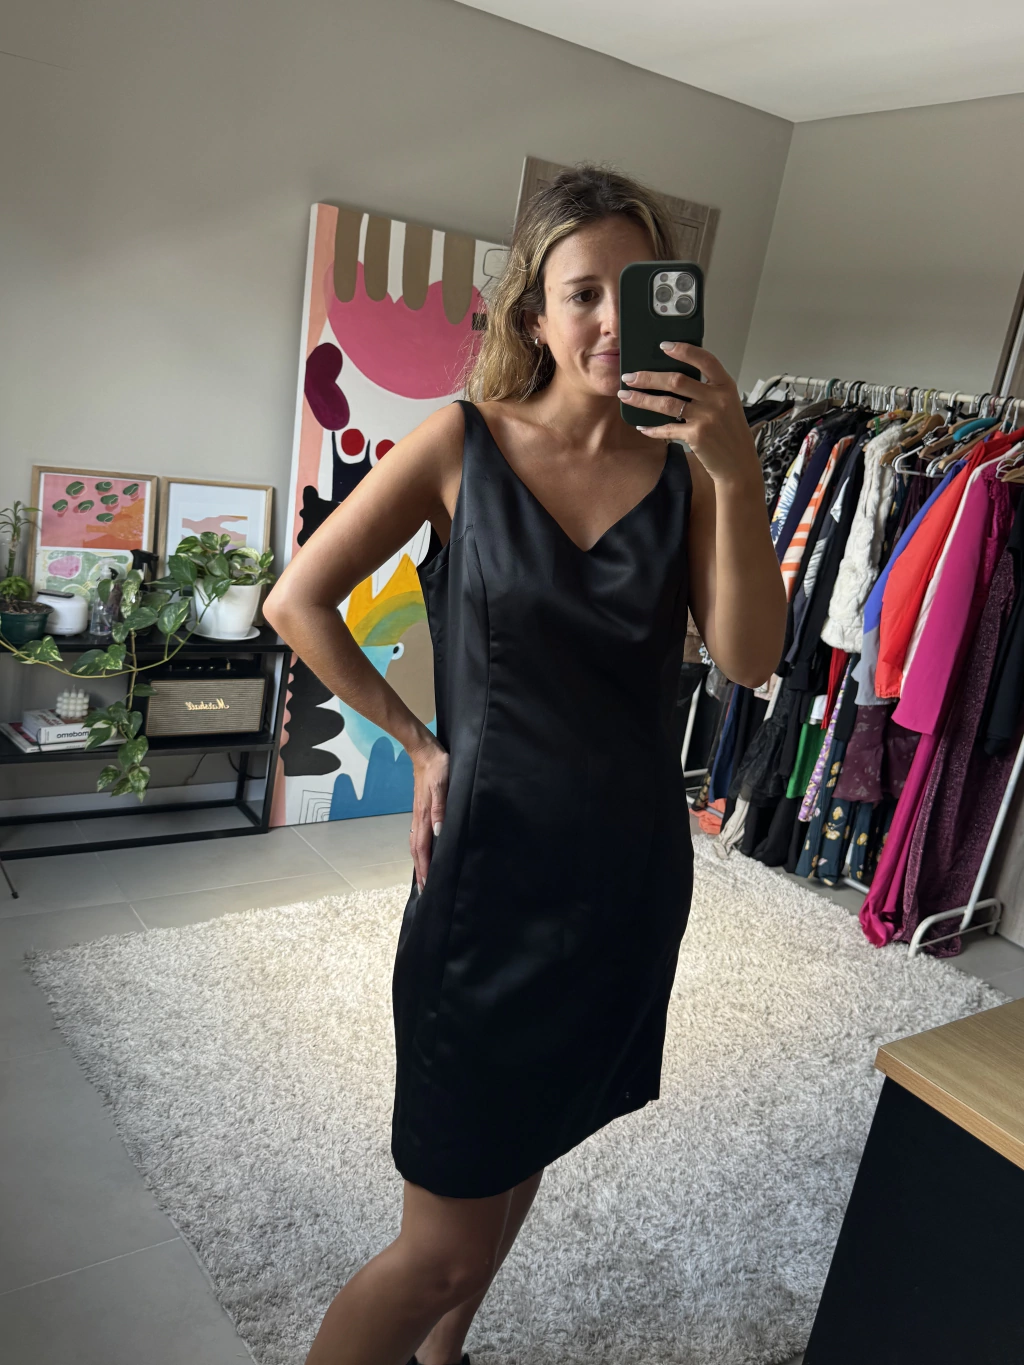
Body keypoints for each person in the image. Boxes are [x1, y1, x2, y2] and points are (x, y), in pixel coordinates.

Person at [263, 164, 786, 1365]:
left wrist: (738, 470)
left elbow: (749, 658)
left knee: (532, 1137)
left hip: (627, 880)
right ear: (535, 317)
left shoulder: (691, 474)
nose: (608, 321)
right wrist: (416, 742)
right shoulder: (463, 443)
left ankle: (444, 1356)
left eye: (633, 290)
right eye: (581, 292)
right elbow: (298, 601)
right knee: (438, 1246)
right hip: (488, 882)